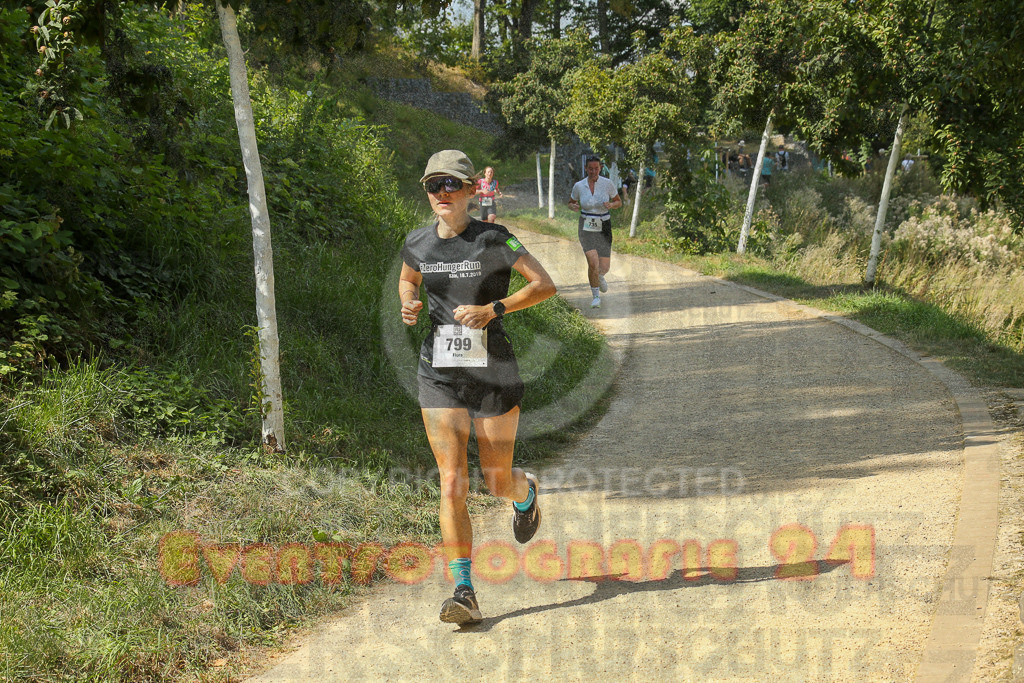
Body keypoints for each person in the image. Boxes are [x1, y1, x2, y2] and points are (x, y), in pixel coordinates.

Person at [399, 150, 556, 625]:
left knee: (494, 480)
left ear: (471, 189)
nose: (442, 193)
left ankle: (524, 493)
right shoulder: (417, 242)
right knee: (451, 482)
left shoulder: (495, 238)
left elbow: (544, 285)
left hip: (493, 374)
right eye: (433, 185)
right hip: (439, 373)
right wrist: (409, 303)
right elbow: (409, 280)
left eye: (452, 184)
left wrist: (495, 310)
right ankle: (463, 590)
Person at [568, 155, 622, 309]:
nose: (593, 171)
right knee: (593, 262)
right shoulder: (579, 186)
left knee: (604, 267)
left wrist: (611, 205)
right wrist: (573, 207)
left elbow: (619, 202)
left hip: (604, 224)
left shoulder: (607, 184)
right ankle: (596, 296)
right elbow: (571, 202)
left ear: (600, 169)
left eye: (596, 168)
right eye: (590, 169)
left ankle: (600, 276)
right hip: (586, 225)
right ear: (586, 169)